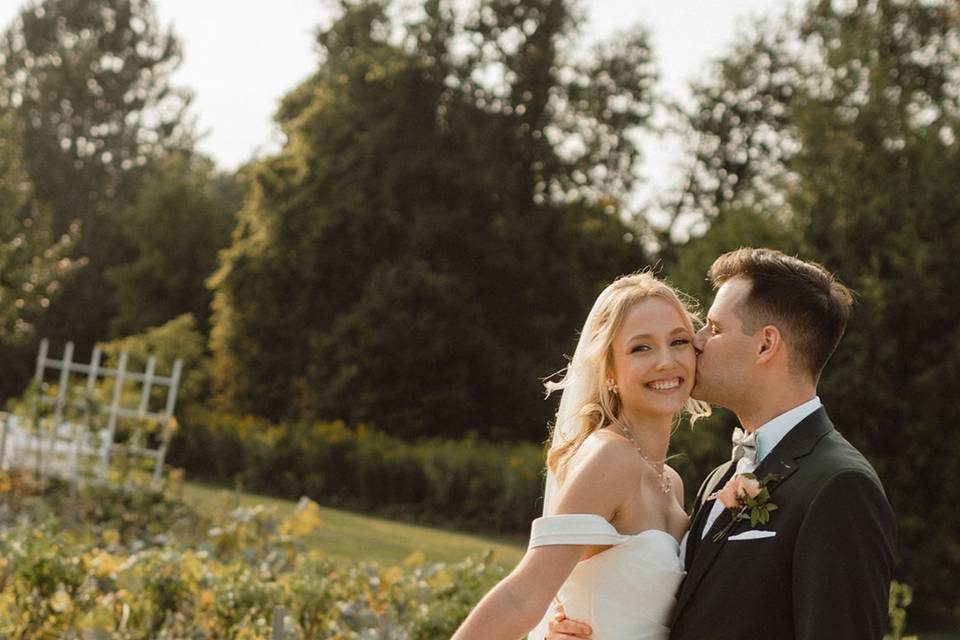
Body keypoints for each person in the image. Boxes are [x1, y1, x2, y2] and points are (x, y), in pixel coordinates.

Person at [548, 248, 896, 640]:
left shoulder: (839, 485)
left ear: (765, 344)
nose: (695, 341)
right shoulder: (718, 480)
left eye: (713, 328)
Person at [451, 272, 711, 640]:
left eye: (679, 341)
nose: (666, 361)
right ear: (608, 371)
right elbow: (522, 597)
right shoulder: (611, 457)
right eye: (642, 347)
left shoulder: (671, 480)